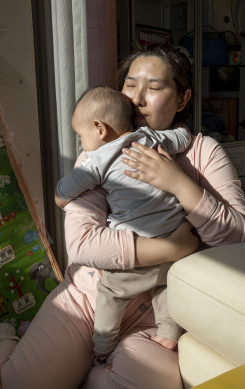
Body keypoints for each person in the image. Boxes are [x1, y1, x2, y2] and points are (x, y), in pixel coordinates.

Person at [0, 44, 245, 389]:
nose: (137, 99)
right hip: (91, 298)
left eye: (154, 87)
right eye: (130, 85)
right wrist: (172, 249)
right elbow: (82, 245)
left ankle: (88, 371)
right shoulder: (97, 155)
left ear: (182, 99)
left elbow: (237, 236)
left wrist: (179, 184)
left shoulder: (200, 152)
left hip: (160, 314)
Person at [54, 85, 191, 360]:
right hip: (177, 231)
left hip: (144, 243)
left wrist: (59, 196)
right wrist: (184, 129)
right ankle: (168, 333)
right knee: (165, 284)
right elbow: (183, 137)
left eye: (81, 137)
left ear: (100, 129)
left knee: (110, 292)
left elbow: (64, 192)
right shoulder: (152, 138)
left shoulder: (98, 160)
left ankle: (102, 348)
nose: (82, 145)